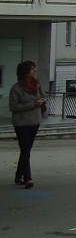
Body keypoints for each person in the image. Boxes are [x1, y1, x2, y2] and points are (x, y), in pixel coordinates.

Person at [9, 61, 46, 189]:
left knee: (26, 150)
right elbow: (13, 107)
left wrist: (42, 101)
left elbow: (42, 96)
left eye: (35, 70)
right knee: (25, 149)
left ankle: (19, 175)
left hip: (35, 121)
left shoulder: (37, 85)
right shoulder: (16, 88)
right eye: (32, 70)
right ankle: (28, 178)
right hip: (21, 123)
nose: (35, 72)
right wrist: (32, 104)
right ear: (25, 73)